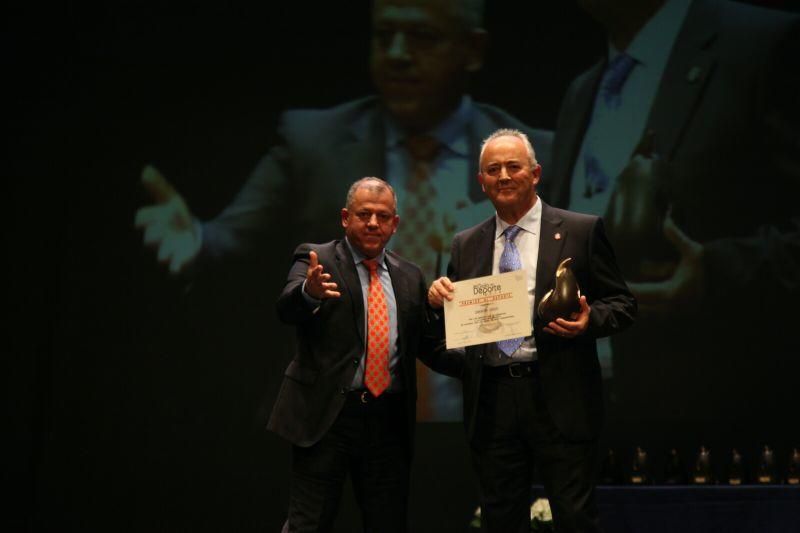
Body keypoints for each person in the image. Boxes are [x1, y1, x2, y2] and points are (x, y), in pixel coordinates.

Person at [134, 0, 552, 421]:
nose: (398, 54)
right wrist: (197, 241)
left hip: (483, 411)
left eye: (422, 38)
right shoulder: (313, 143)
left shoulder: (532, 157)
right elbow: (230, 239)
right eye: (384, 37)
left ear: (473, 50)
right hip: (347, 414)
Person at [545, 0, 800, 444]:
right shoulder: (581, 92)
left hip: (727, 438)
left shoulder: (762, 45)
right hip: (596, 429)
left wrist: (714, 273)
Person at [427, 129, 636, 533]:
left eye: (513, 166)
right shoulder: (465, 244)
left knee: (575, 518)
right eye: (493, 169)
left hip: (561, 392)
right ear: (481, 181)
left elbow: (623, 305)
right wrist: (438, 299)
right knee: (501, 520)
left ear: (535, 173)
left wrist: (588, 321)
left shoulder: (580, 230)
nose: (503, 175)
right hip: (493, 399)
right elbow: (458, 328)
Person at [271, 177, 459, 532]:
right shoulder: (317, 258)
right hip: (327, 417)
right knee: (308, 524)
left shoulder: (410, 276)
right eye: (364, 214)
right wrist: (309, 293)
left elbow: (428, 348)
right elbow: (287, 307)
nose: (374, 223)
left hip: (386, 422)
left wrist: (484, 361)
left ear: (395, 223)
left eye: (383, 216)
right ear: (346, 218)